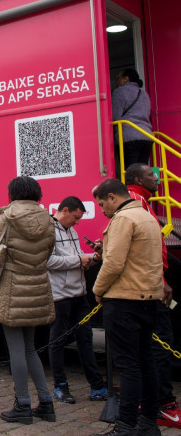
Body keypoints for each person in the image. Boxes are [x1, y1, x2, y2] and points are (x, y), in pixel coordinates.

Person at [92, 178, 163, 436]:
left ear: (112, 197)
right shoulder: (147, 216)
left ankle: (125, 426)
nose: (102, 210)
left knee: (129, 366)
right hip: (148, 299)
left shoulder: (122, 219)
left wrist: (97, 290)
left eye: (102, 204)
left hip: (124, 301)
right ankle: (148, 424)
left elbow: (113, 264)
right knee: (146, 363)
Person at [0, 176, 56, 425]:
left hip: (12, 286)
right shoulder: (48, 218)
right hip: (37, 285)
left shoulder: (7, 217)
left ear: (12, 193)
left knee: (15, 348)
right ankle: (46, 402)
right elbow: (49, 252)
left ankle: (23, 404)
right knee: (30, 348)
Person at [123, 163, 181, 428]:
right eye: (151, 175)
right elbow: (147, 249)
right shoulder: (136, 204)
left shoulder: (141, 201)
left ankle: (153, 401)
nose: (157, 178)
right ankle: (162, 404)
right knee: (159, 344)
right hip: (149, 287)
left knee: (151, 346)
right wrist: (161, 280)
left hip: (149, 284)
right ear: (137, 178)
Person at [46, 196, 107, 404]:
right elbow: (47, 262)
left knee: (85, 339)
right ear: (64, 210)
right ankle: (60, 387)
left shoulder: (70, 230)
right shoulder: (48, 230)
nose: (77, 223)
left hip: (78, 295)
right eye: (75, 218)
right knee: (57, 340)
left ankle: (97, 385)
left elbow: (78, 257)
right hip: (60, 295)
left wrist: (93, 257)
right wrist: (78, 260)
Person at [112, 68, 152, 170]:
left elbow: (115, 116)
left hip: (128, 136)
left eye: (118, 78)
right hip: (146, 136)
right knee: (143, 172)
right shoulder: (144, 94)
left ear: (126, 78)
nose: (116, 81)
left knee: (130, 172)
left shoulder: (119, 92)